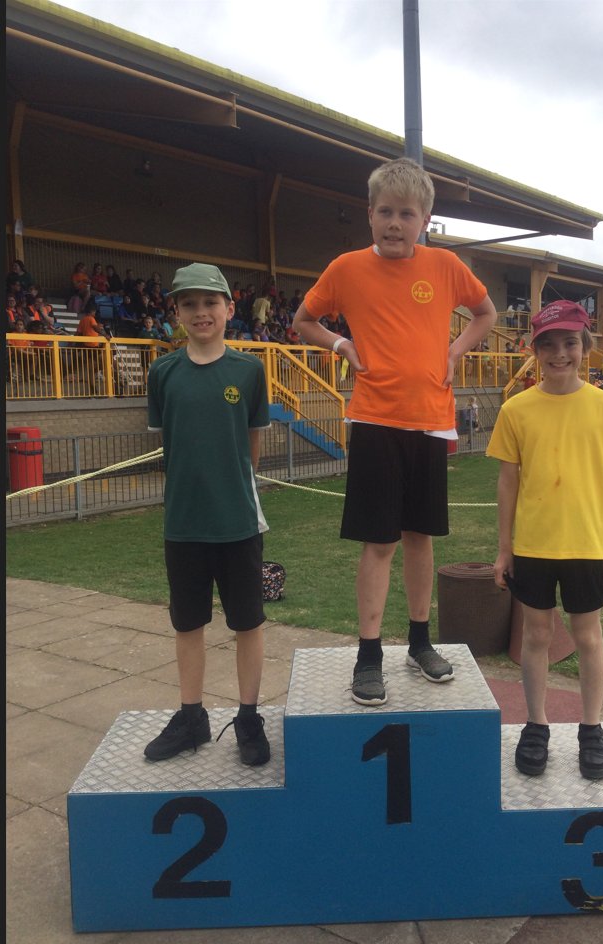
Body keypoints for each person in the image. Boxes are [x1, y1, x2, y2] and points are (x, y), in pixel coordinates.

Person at [293, 156, 497, 706]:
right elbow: (302, 320)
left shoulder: (446, 266)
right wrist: (340, 344)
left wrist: (455, 350)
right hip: (376, 420)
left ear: (424, 218)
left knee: (420, 539)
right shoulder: (346, 268)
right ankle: (368, 655)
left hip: (431, 422)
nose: (395, 223)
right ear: (369, 213)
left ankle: (419, 642)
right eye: (385, 211)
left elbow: (485, 311)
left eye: (407, 214)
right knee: (379, 542)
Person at [486, 300, 603, 780]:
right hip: (533, 545)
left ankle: (591, 729)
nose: (559, 354)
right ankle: (537, 724)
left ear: (585, 348)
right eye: (548, 345)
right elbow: (508, 483)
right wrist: (504, 548)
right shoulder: (516, 409)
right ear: (535, 352)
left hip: (588, 546)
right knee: (535, 636)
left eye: (570, 343)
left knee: (587, 637)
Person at [143, 262, 271, 766]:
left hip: (237, 523)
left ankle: (248, 716)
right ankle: (192, 716)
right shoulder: (163, 373)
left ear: (229, 309)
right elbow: (168, 447)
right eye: (189, 304)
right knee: (188, 624)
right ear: (176, 312)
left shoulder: (248, 371)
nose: (201, 313)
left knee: (248, 624)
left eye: (210, 303)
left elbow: (252, 448)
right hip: (184, 525)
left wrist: (234, 489)